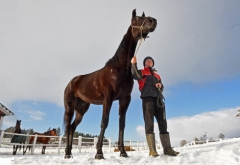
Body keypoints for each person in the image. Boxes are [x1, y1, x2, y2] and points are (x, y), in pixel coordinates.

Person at [131, 56, 179, 157]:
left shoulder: (157, 75)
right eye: (147, 60)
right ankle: (152, 151)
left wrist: (160, 86)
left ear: (153, 63)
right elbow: (134, 75)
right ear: (144, 63)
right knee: (149, 124)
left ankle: (168, 149)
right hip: (147, 99)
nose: (149, 61)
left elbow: (162, 87)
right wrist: (133, 64)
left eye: (151, 60)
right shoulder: (142, 72)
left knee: (163, 124)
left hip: (159, 100)